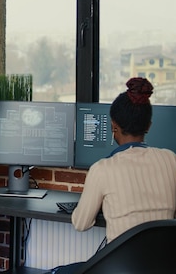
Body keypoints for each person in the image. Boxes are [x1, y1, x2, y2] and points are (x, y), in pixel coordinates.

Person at [52, 77, 176, 274]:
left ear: (113, 127)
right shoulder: (171, 159)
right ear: (149, 126)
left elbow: (81, 223)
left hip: (119, 269)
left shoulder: (103, 169)